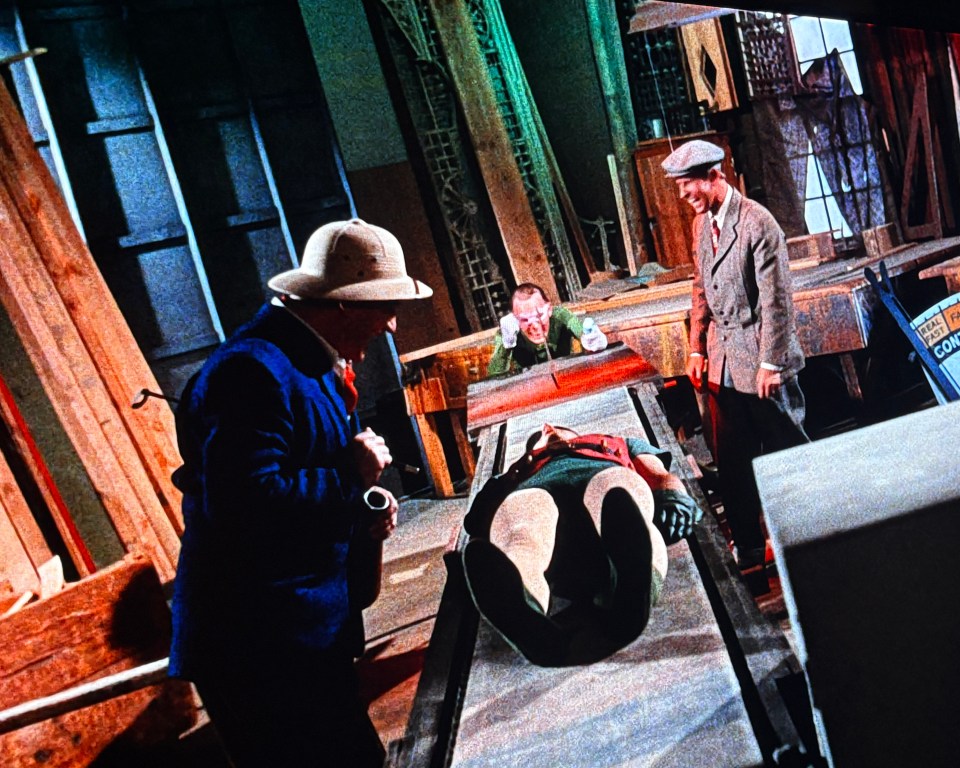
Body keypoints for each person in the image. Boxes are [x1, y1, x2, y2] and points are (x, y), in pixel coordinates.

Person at [168, 218, 432, 767]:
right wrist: (348, 477)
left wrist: (359, 515)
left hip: (302, 632)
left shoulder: (309, 364)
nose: (390, 327)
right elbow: (243, 505)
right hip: (258, 645)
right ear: (341, 306)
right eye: (386, 309)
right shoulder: (251, 373)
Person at [662, 139, 809, 590]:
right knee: (734, 466)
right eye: (683, 189)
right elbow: (700, 287)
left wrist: (771, 362)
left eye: (690, 188)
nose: (686, 197)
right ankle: (749, 552)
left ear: (714, 177)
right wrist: (695, 348)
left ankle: (811, 538)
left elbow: (777, 301)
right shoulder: (701, 225)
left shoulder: (757, 223)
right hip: (723, 367)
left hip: (762, 367)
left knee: (790, 458)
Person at [461, 424, 702, 665]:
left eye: (555, 429)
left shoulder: (619, 441)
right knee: (523, 535)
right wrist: (509, 476)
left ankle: (632, 597)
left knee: (619, 496)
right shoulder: (521, 469)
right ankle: (528, 618)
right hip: (538, 494)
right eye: (542, 434)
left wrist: (675, 498)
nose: (549, 428)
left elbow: (659, 474)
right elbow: (475, 520)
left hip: (601, 478)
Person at [486, 282, 607, 376]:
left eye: (539, 316)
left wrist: (592, 339)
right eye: (524, 320)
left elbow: (580, 330)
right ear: (515, 319)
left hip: (566, 375)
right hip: (530, 387)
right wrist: (506, 345)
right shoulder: (508, 332)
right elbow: (495, 375)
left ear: (549, 309)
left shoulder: (560, 316)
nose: (535, 326)